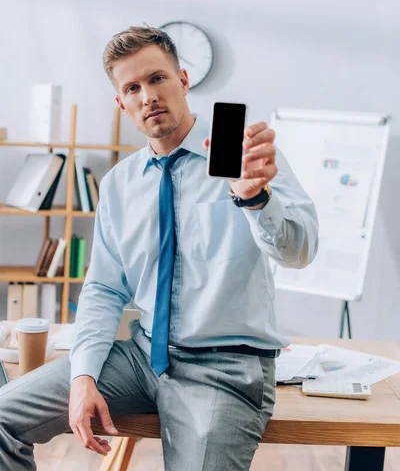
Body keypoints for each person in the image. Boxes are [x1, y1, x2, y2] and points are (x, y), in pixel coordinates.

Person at [0, 26, 318, 470]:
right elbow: (104, 290)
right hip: (142, 356)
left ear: (183, 80)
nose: (148, 95)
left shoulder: (248, 159)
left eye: (157, 79)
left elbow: (300, 252)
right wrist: (83, 375)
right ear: (122, 103)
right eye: (132, 87)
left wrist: (255, 199)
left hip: (225, 368)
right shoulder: (119, 184)